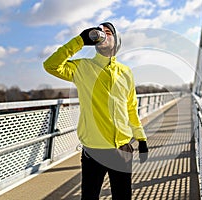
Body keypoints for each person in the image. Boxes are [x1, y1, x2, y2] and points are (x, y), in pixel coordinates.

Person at [43, 22, 148, 200]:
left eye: (108, 32)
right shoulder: (82, 67)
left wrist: (141, 138)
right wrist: (79, 41)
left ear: (117, 40)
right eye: (100, 32)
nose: (103, 35)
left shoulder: (126, 72)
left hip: (122, 148)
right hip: (94, 150)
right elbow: (50, 65)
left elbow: (131, 108)